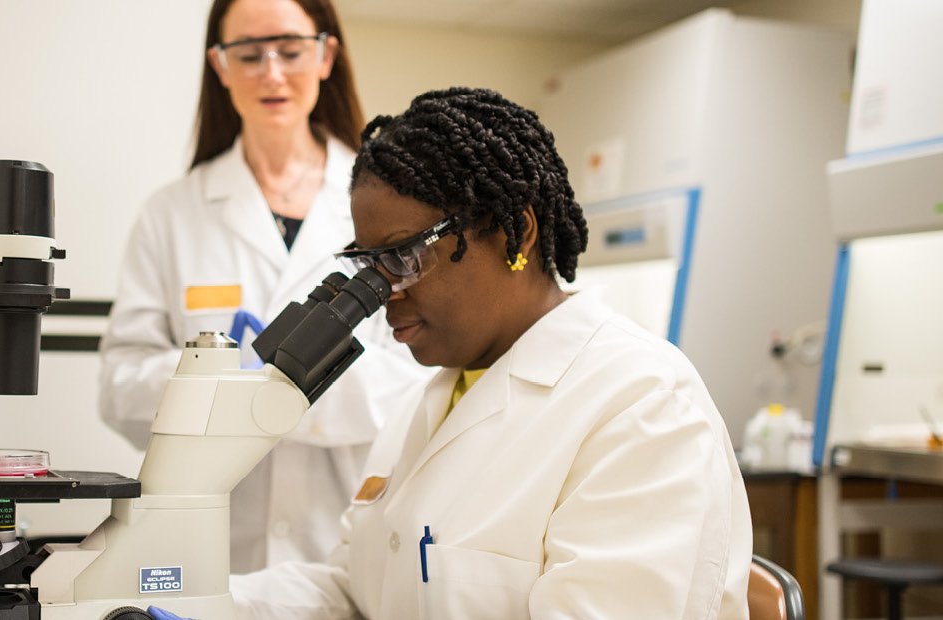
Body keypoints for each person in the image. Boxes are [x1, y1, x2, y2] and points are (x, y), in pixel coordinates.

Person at [231, 87, 752, 618]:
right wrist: (207, 603)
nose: (387, 289)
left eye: (405, 256)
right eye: (372, 265)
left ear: (514, 233)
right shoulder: (430, 398)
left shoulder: (643, 406)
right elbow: (357, 591)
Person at [98, 0, 430, 573]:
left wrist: (287, 386)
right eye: (249, 55)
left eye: (291, 50)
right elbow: (121, 385)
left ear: (326, 55)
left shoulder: (393, 202)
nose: (272, 72)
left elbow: (421, 374)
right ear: (220, 67)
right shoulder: (172, 213)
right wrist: (223, 379)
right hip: (207, 546)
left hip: (348, 539)